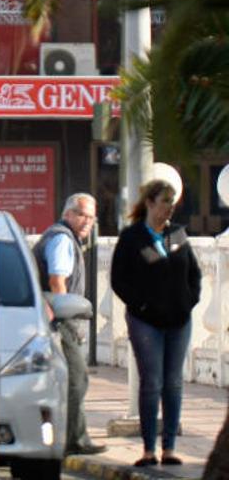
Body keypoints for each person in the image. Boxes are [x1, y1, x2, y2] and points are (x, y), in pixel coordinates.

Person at [110, 180, 201, 467]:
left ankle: (170, 447)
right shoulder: (133, 237)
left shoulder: (176, 235)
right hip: (146, 320)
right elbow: (119, 279)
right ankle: (148, 448)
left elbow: (194, 273)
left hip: (178, 319)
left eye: (172, 203)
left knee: (173, 383)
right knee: (152, 382)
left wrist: (189, 300)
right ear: (149, 203)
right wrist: (140, 305)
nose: (168, 209)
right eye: (164, 202)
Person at [32, 193, 106, 456]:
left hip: (55, 320)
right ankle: (74, 439)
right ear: (68, 214)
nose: (87, 221)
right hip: (61, 321)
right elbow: (57, 281)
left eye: (91, 216)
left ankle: (70, 436)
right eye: (82, 215)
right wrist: (66, 316)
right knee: (76, 379)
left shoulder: (63, 237)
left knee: (69, 380)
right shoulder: (62, 239)